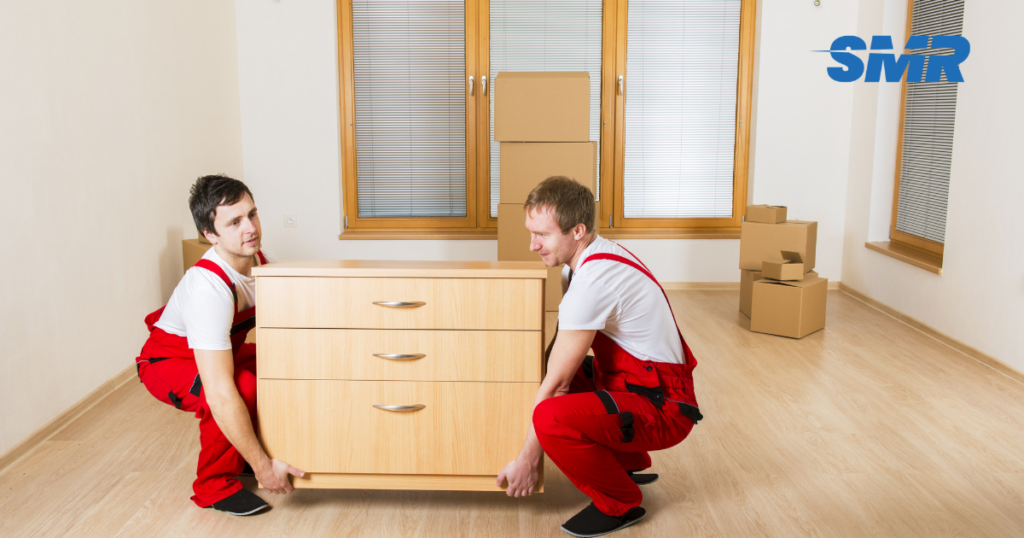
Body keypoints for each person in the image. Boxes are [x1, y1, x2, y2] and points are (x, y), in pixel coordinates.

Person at [496, 176, 703, 537]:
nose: (532, 245)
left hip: (664, 407)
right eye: (531, 232)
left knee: (550, 416)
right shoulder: (581, 263)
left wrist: (529, 459)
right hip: (637, 383)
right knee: (555, 369)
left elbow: (557, 386)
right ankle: (626, 460)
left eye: (542, 235)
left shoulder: (593, 280)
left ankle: (620, 501)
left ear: (577, 230)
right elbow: (560, 359)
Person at [135, 175, 303, 516]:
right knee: (240, 387)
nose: (250, 228)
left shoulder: (261, 262)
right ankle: (214, 486)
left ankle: (247, 451)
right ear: (210, 235)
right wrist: (263, 468)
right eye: (235, 222)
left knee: (288, 362)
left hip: (219, 351)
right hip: (167, 362)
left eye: (252, 214)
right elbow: (219, 389)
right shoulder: (207, 287)